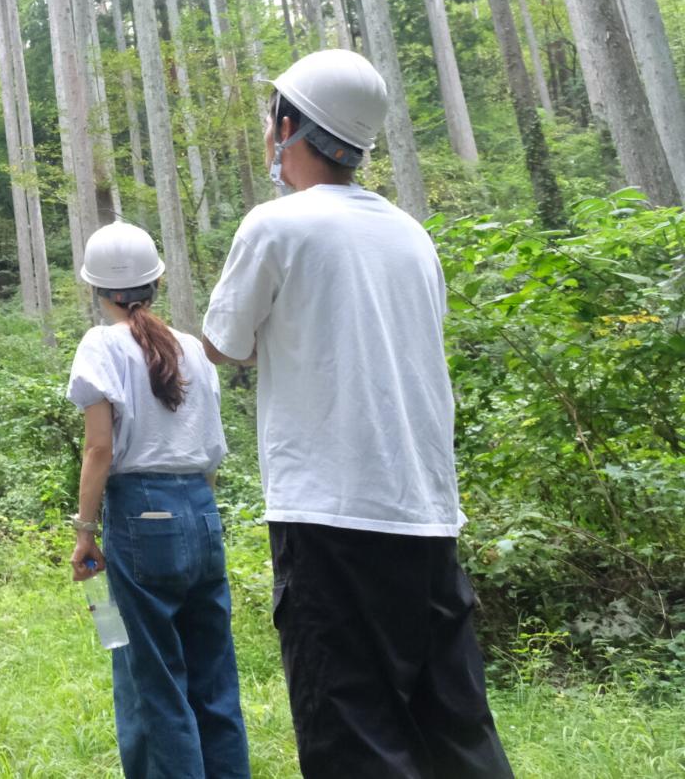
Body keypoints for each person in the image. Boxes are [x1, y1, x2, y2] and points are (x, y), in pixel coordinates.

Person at [197, 49, 511, 778]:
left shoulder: (276, 226)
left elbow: (222, 346)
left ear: (287, 127)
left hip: (330, 518)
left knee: (353, 735)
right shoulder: (411, 235)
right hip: (427, 515)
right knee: (456, 731)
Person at [65, 220, 248, 779]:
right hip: (201, 508)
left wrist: (85, 532)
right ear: (158, 282)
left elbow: (100, 449)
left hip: (141, 513)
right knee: (214, 677)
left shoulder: (101, 345)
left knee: (154, 682)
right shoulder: (191, 347)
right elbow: (212, 450)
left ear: (97, 290)